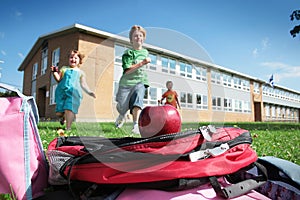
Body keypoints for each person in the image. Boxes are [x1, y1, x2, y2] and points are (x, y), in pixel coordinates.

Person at [115, 25, 151, 134]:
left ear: (143, 39)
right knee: (122, 106)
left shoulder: (145, 52)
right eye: (135, 36)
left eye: (141, 36)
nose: (138, 38)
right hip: (126, 83)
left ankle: (136, 125)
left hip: (140, 82)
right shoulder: (128, 53)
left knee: (137, 101)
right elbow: (127, 71)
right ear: (131, 39)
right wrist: (142, 63)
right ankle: (122, 114)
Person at [51, 50, 96, 130]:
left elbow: (83, 84)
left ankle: (68, 128)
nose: (73, 59)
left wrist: (89, 92)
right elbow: (58, 79)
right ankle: (63, 117)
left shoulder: (81, 72)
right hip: (62, 92)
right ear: (69, 59)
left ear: (79, 61)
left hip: (73, 93)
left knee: (69, 108)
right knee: (59, 113)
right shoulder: (64, 69)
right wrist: (54, 72)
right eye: (71, 57)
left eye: (75, 58)